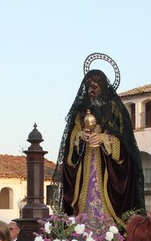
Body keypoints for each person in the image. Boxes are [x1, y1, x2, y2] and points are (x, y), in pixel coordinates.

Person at [51, 67, 145, 227]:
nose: (91, 90)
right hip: (84, 167)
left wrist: (104, 138)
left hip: (107, 169)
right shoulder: (80, 112)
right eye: (88, 86)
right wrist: (80, 137)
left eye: (95, 86)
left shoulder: (115, 110)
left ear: (103, 86)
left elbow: (126, 142)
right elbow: (71, 139)